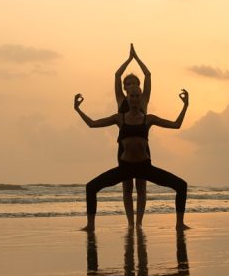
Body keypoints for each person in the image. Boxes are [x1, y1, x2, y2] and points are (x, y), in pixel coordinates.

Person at [74, 84, 190, 231]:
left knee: (181, 186)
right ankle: (90, 225)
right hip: (125, 168)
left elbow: (176, 124)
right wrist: (78, 109)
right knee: (91, 187)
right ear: (127, 98)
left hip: (145, 167)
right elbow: (92, 124)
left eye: (137, 96)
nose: (134, 99)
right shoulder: (119, 118)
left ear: (141, 99)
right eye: (132, 96)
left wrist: (185, 105)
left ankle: (180, 224)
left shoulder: (148, 119)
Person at [115, 44, 151, 228]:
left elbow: (148, 75)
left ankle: (139, 223)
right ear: (124, 88)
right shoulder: (121, 100)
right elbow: (116, 75)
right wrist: (128, 60)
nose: (132, 86)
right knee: (127, 188)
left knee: (141, 187)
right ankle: (130, 223)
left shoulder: (143, 99)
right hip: (123, 148)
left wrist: (136, 57)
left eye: (134, 84)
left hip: (143, 147)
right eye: (128, 84)